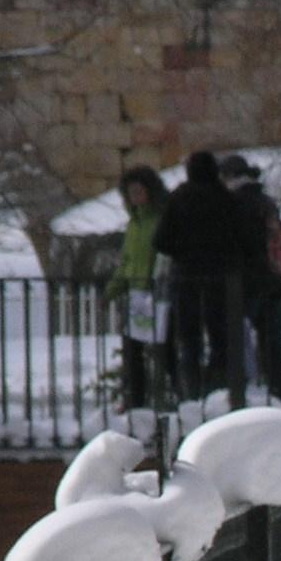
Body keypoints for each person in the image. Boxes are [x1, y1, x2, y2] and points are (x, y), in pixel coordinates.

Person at [155, 148, 249, 397]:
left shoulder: (179, 198)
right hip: (221, 277)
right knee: (221, 336)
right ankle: (219, 387)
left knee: (189, 338)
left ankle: (192, 390)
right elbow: (242, 238)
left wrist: (183, 251)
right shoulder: (226, 199)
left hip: (185, 276)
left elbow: (161, 240)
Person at [222, 153, 281, 401]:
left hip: (248, 281)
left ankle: (244, 387)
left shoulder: (236, 204)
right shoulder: (264, 200)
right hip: (272, 279)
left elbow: (241, 244)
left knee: (238, 336)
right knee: (270, 336)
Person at [107, 165, 170, 411]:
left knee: (164, 349)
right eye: (130, 192)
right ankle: (136, 400)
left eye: (139, 191)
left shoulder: (159, 219)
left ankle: (167, 397)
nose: (134, 196)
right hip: (136, 294)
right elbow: (126, 262)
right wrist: (113, 289)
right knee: (132, 351)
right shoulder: (134, 224)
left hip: (158, 293)